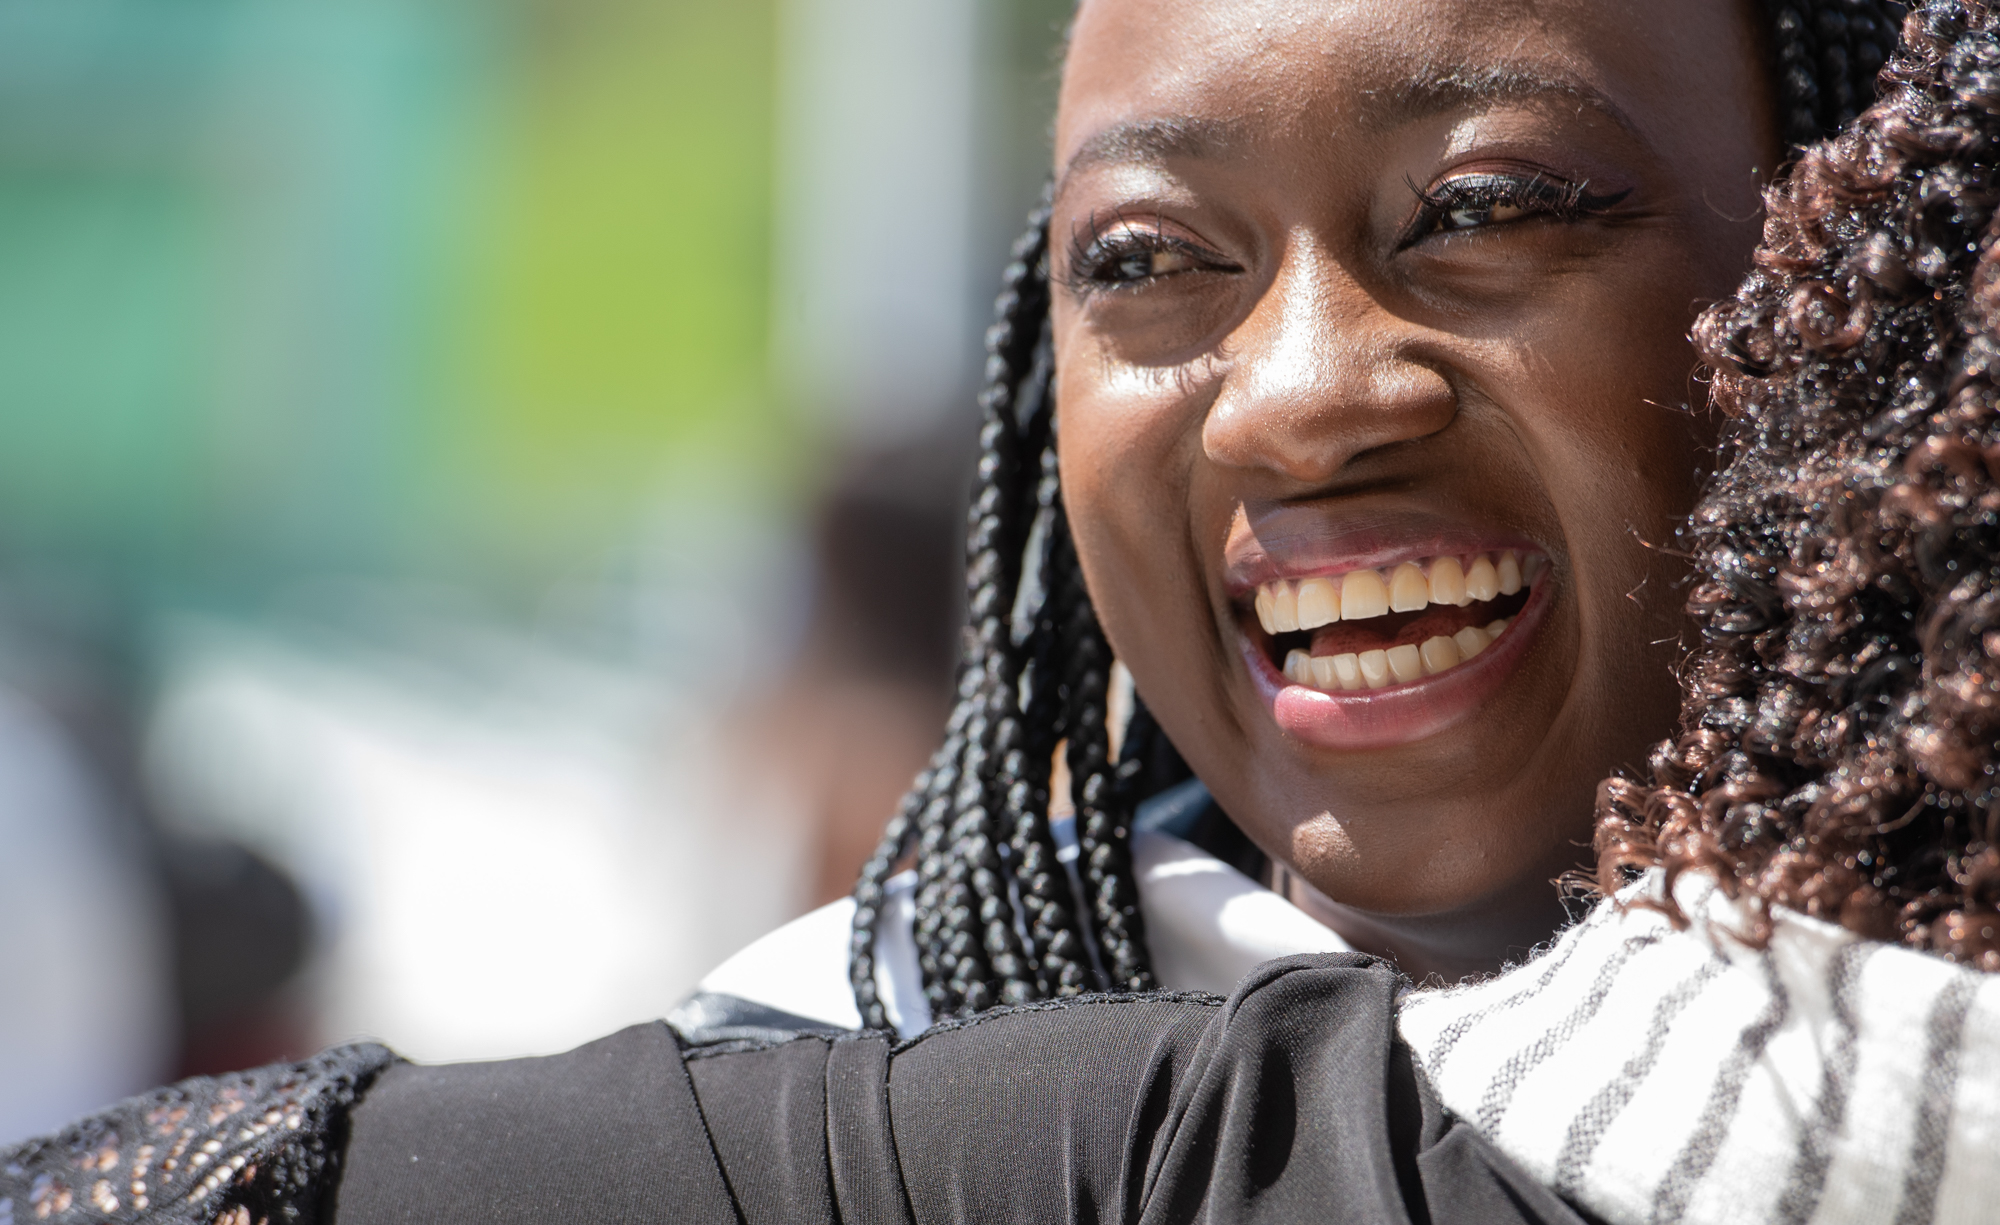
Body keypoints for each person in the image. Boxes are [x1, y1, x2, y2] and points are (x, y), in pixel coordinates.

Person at [687, 0, 1900, 1047]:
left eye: (1482, 211)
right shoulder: (841, 1095)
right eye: (1145, 258)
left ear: (1860, 268)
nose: (1299, 403)